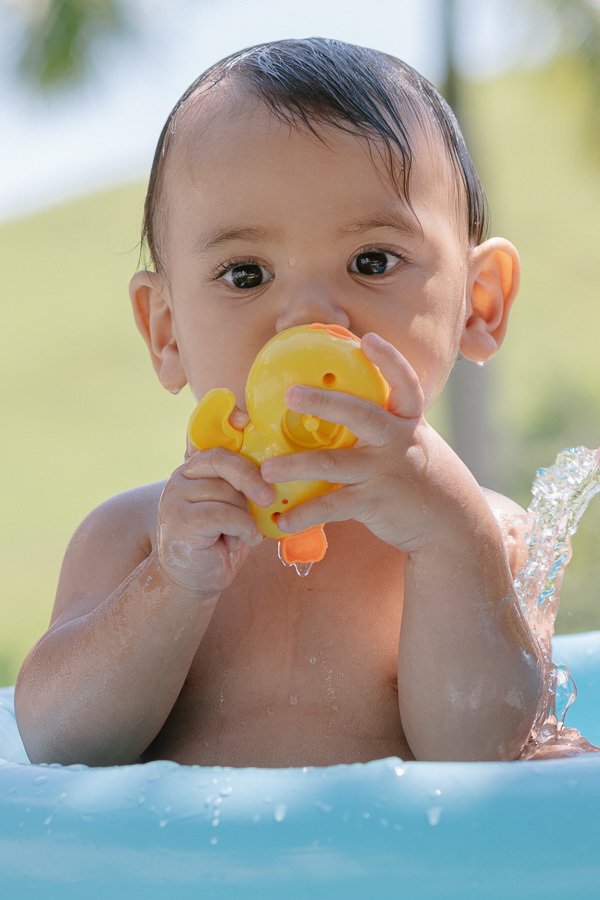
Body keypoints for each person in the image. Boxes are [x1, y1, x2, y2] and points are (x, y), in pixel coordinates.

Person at [14, 37, 545, 768]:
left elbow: (486, 756)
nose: (308, 318)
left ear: (479, 304)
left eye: (371, 262)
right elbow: (54, 740)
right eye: (245, 273)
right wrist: (170, 584)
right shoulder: (134, 538)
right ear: (165, 330)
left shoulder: (486, 535)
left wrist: (446, 538)